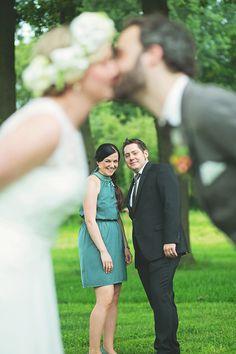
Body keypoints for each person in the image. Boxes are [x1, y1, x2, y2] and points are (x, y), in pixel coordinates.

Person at [0, 12, 119, 354]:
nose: (116, 70)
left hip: (28, 265)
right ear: (78, 72)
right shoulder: (46, 125)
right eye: (107, 60)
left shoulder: (62, 128)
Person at [114, 13, 236, 245]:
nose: (114, 65)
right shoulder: (180, 123)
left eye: (121, 54)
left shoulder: (207, 108)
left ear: (153, 55)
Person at [122, 138, 188, 354]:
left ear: (145, 153)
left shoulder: (161, 171)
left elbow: (171, 204)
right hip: (145, 253)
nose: (131, 157)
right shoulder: (134, 181)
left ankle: (164, 349)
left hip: (164, 248)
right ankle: (171, 347)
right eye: (127, 155)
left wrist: (170, 239)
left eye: (134, 153)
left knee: (161, 299)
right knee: (161, 302)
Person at [79, 143, 132, 354]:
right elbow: (90, 220)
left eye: (115, 161)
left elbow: (117, 216)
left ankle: (109, 348)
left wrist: (125, 246)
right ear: (98, 161)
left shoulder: (110, 182)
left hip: (114, 239)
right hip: (97, 241)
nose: (112, 165)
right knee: (105, 296)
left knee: (115, 296)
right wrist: (103, 251)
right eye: (107, 161)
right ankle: (94, 351)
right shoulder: (92, 182)